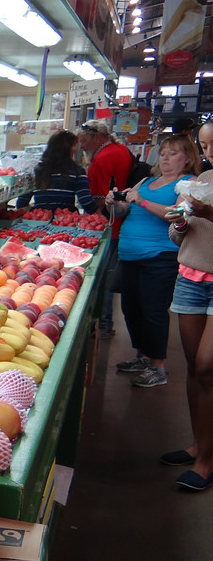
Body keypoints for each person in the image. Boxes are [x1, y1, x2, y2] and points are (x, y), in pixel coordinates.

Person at [105, 133, 201, 388]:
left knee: (153, 311)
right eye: (164, 152)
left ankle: (158, 366)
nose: (166, 157)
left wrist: (143, 201)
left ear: (188, 158)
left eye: (174, 153)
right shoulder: (147, 180)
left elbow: (179, 215)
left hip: (160, 257)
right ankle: (143, 355)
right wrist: (114, 202)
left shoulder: (187, 183)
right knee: (131, 308)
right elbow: (125, 209)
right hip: (129, 255)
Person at [160, 155, 213, 489]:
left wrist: (209, 213)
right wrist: (180, 221)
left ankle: (208, 462)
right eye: (206, 145)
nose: (210, 152)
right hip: (191, 280)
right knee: (194, 367)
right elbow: (178, 236)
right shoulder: (204, 179)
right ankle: (199, 446)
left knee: (208, 366)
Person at [79, 120, 134, 338]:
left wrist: (91, 223)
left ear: (96, 137)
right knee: (110, 273)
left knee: (104, 276)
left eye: (84, 142)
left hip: (111, 224)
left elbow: (100, 200)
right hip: (121, 222)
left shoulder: (102, 158)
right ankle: (106, 322)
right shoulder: (120, 149)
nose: (83, 147)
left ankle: (102, 324)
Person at [15, 129, 98, 213]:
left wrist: (33, 207)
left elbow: (22, 201)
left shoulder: (37, 170)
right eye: (73, 145)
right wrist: (98, 213)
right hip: (66, 221)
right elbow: (85, 200)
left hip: (40, 220)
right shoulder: (77, 170)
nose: (76, 149)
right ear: (65, 148)